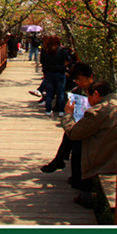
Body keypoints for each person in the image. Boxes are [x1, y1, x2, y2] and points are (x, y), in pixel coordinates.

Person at [60, 80, 117, 209]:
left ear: (95, 94)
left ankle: (85, 193)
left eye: (88, 96)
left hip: (103, 160)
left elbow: (74, 133)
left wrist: (68, 115)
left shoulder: (99, 111)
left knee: (78, 145)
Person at [40, 62, 95, 192]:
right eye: (76, 80)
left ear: (91, 77)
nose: (79, 83)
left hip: (94, 127)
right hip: (84, 124)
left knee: (76, 142)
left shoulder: (98, 91)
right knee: (72, 135)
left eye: (81, 80)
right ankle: (62, 163)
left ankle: (62, 163)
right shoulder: (78, 91)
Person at [39, 35, 72, 116]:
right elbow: (69, 59)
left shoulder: (45, 50)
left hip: (49, 73)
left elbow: (41, 61)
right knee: (60, 92)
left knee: (49, 92)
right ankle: (61, 111)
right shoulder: (61, 50)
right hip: (60, 73)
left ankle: (48, 110)